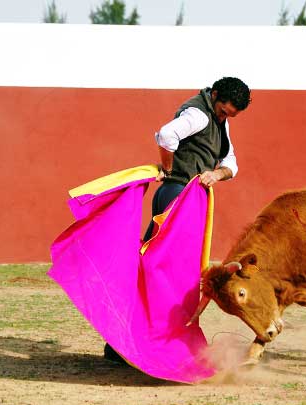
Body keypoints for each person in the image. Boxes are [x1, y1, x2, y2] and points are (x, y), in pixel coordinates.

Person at [104, 76, 251, 362]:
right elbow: (166, 135)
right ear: (215, 95)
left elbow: (230, 161)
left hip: (187, 201)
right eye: (223, 111)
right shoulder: (198, 114)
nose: (224, 117)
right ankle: (136, 343)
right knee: (162, 273)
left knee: (162, 271)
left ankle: (123, 343)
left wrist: (216, 174)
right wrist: (169, 168)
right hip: (176, 196)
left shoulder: (219, 119)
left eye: (230, 115)